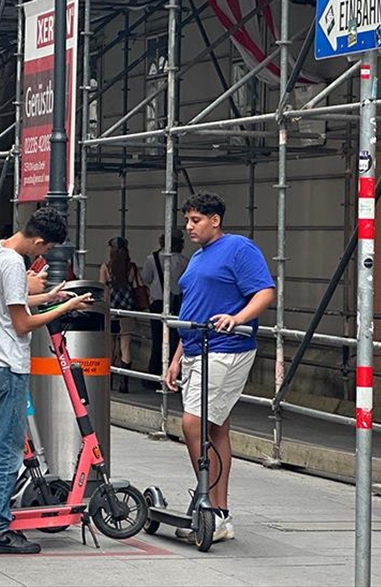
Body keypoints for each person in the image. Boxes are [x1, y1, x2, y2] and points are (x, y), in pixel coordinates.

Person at [0, 207, 90, 554]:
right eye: (44, 249)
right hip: (9, 365)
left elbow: (14, 303)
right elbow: (22, 323)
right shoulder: (13, 264)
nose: (42, 256)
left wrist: (49, 297)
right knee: (8, 452)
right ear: (39, 240)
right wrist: (64, 309)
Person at [163, 191, 275, 544]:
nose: (189, 226)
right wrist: (177, 358)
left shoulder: (240, 249)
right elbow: (193, 310)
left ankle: (207, 503)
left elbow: (265, 292)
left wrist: (237, 317)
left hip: (226, 348)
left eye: (196, 220)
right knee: (217, 429)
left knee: (192, 423)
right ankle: (218, 512)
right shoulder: (197, 259)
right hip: (197, 347)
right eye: (187, 220)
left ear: (215, 220)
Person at [141, 230, 189, 390]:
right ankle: (175, 376)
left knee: (157, 340)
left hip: (157, 302)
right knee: (175, 341)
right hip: (177, 303)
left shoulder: (151, 259)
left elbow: (145, 279)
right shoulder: (183, 261)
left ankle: (154, 375)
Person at [100, 237, 142, 393]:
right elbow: (140, 287)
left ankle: (109, 382)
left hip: (111, 312)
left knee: (110, 348)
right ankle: (124, 384)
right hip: (127, 312)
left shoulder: (106, 267)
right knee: (125, 348)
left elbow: (102, 289)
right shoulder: (132, 268)